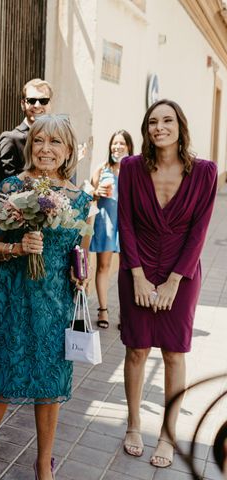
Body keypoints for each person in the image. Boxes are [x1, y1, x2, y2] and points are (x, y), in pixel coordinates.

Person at [0, 115, 92, 480]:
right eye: (39, 140)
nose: (45, 149)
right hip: (12, 296)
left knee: (50, 382)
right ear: (30, 145)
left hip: (55, 301)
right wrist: (16, 247)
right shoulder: (10, 188)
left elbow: (81, 249)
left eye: (55, 142)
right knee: (0, 378)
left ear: (68, 150)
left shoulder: (79, 199)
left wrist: (80, 273)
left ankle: (43, 462)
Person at [118, 99, 217, 469]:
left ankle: (167, 433)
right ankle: (132, 424)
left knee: (174, 353)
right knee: (136, 350)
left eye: (167, 120)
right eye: (153, 121)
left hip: (181, 272)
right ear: (146, 129)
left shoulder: (205, 173)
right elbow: (124, 223)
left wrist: (175, 280)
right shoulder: (130, 168)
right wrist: (138, 275)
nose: (160, 127)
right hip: (137, 268)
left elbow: (199, 231)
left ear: (180, 126)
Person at [90, 130, 134, 328]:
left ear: (129, 147)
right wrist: (96, 192)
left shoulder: (135, 171)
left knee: (127, 270)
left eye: (121, 144)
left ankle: (126, 314)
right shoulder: (102, 168)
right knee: (103, 267)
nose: (117, 147)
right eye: (114, 143)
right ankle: (103, 311)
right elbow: (89, 197)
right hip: (106, 222)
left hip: (129, 226)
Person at [0, 78, 53, 183]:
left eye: (43, 101)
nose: (37, 105)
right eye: (31, 100)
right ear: (23, 104)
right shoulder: (10, 139)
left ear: (50, 104)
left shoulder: (58, 139)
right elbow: (5, 184)